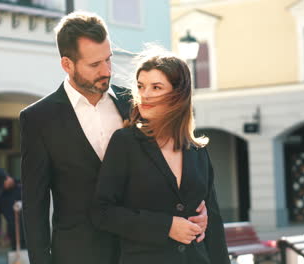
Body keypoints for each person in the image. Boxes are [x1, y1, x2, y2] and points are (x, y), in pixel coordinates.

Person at [19, 11, 208, 264]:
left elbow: (170, 166)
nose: (106, 70)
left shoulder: (137, 104)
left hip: (140, 251)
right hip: (79, 254)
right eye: (95, 65)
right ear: (67, 64)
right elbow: (35, 205)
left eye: (109, 59)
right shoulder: (38, 119)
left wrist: (198, 208)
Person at [91, 51, 230, 264]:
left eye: (156, 87)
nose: (144, 94)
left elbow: (214, 221)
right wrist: (166, 227)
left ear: (178, 95)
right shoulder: (125, 142)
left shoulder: (197, 149)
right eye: (140, 86)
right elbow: (102, 212)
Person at [0, 168, 25, 250]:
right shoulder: (0, 196)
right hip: (14, 234)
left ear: (7, 178)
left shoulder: (22, 186)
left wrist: (23, 203)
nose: (3, 187)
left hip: (30, 232)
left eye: (3, 184)